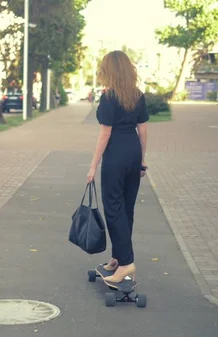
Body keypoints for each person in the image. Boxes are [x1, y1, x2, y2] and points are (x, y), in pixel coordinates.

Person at [86, 50, 149, 285]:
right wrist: (142, 161)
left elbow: (105, 134)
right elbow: (143, 130)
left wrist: (93, 166)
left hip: (116, 155)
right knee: (126, 209)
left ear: (109, 71)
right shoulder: (137, 95)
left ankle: (126, 264)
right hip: (133, 152)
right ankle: (118, 257)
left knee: (113, 208)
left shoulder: (109, 97)